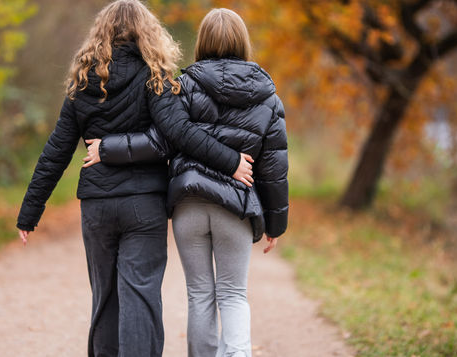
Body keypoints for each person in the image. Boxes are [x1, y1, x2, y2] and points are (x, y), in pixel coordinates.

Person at [15, 1, 254, 356]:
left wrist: (29, 212)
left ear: (101, 33)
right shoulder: (154, 77)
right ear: (148, 33)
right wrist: (231, 160)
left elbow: (56, 151)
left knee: (105, 298)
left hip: (97, 206)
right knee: (140, 295)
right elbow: (179, 133)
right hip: (144, 204)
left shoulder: (83, 82)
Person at [86, 8, 288, 357]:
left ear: (202, 41)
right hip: (236, 204)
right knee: (232, 293)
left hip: (189, 203)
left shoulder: (182, 86)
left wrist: (107, 147)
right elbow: (273, 166)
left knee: (199, 293)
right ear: (243, 42)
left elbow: (163, 140)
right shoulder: (268, 96)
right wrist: (275, 222)